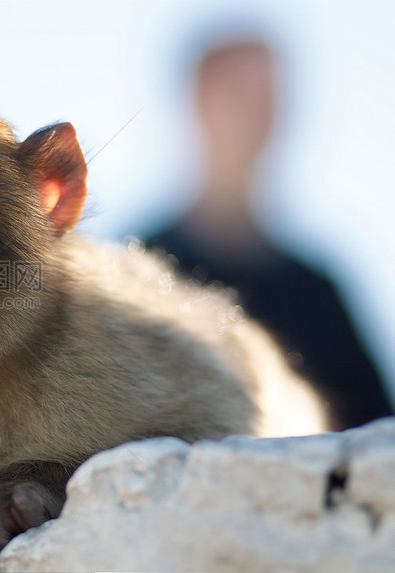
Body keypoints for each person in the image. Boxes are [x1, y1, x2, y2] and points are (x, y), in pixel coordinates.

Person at [145, 39, 392, 430]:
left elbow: (376, 435)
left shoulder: (316, 291)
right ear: (200, 101)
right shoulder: (141, 270)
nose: (258, 114)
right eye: (240, 93)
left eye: (270, 96)